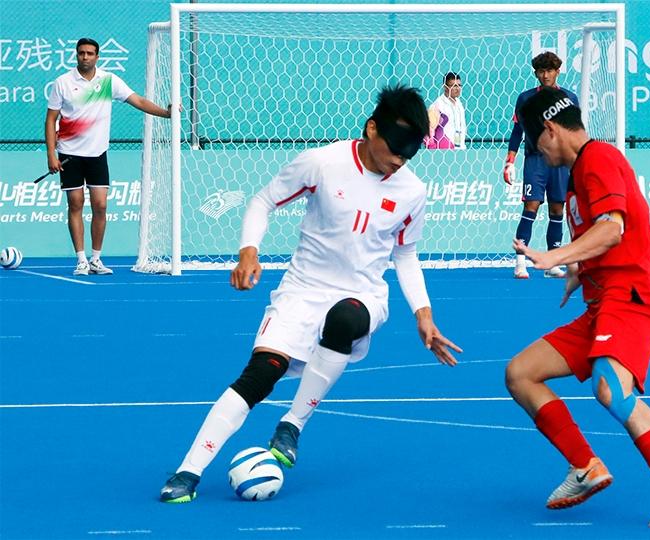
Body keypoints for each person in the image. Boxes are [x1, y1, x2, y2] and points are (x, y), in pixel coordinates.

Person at [159, 84, 462, 503]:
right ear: (371, 128)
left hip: (362, 294)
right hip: (301, 290)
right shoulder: (322, 163)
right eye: (394, 148)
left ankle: (292, 425)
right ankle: (187, 471)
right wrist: (249, 252)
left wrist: (423, 314)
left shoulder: (412, 192)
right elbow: (263, 201)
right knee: (259, 375)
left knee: (345, 318)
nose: (399, 160)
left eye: (408, 154)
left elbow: (405, 254)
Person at [505, 87, 650, 528]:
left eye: (536, 143)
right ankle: (585, 467)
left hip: (633, 296)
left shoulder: (597, 159)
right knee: (521, 373)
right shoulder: (579, 174)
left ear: (550, 130)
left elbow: (612, 229)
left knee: (610, 388)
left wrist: (557, 256)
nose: (538, 153)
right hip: (604, 304)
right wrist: (580, 268)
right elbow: (605, 236)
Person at [45, 37, 172, 276]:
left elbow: (138, 100)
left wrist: (166, 114)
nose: (85, 57)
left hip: (97, 154)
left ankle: (96, 259)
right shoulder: (63, 82)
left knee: (101, 205)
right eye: (81, 53)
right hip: (69, 154)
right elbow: (51, 119)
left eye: (89, 53)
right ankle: (81, 260)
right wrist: (51, 155)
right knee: (75, 203)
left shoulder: (108, 80)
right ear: (76, 55)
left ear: (97, 56)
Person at [503, 52, 579, 279]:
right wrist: (510, 162)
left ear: (558, 72)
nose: (545, 75)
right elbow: (517, 131)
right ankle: (520, 262)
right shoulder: (526, 98)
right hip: (536, 160)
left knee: (557, 209)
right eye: (541, 71)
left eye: (550, 71)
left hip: (561, 161)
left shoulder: (570, 98)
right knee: (531, 206)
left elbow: (574, 132)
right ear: (536, 73)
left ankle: (552, 263)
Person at [425, 72, 467, 150]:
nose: (458, 89)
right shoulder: (437, 105)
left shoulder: (459, 104)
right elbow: (428, 130)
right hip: (444, 151)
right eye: (454, 86)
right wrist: (433, 149)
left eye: (459, 85)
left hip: (460, 149)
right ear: (445, 87)